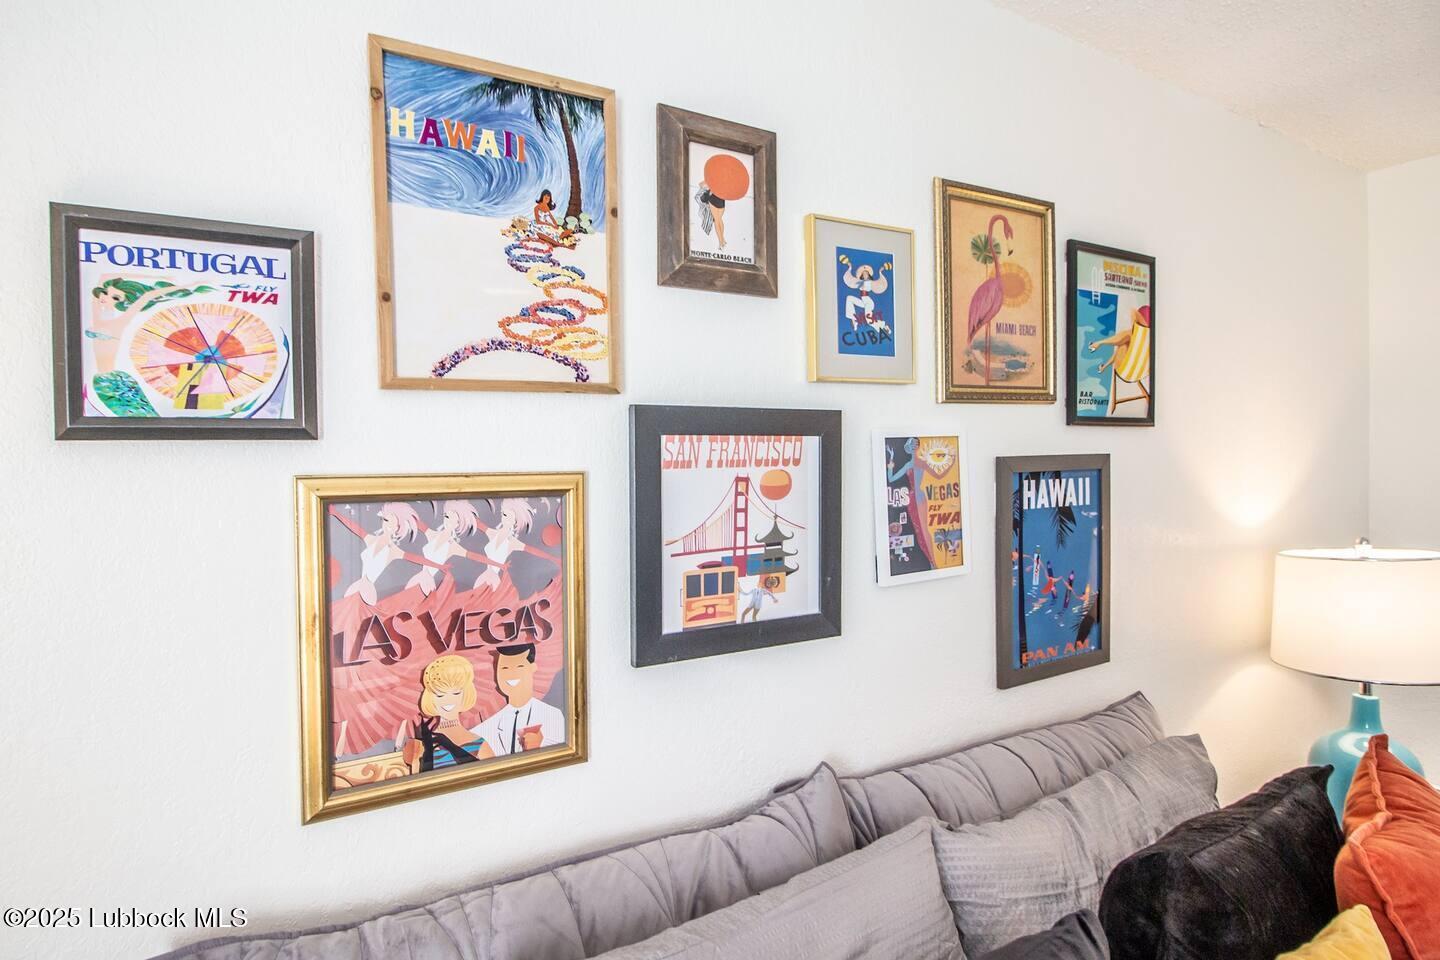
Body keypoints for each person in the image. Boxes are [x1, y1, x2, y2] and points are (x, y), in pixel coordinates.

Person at [402, 655, 495, 772]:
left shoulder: (479, 743)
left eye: (456, 693)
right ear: (430, 698)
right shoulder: (420, 746)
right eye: (440, 695)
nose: (448, 701)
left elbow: (495, 778)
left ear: (466, 694)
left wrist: (449, 745)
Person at [469, 643, 565, 755]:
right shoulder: (484, 729)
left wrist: (541, 745)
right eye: (504, 668)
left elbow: (565, 753)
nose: (511, 674)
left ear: (532, 668)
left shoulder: (552, 715)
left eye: (519, 667)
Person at [696, 180, 727, 249]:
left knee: (717, 220)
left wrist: (710, 187)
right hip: (721, 200)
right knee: (719, 219)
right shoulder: (722, 180)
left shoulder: (712, 178)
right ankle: (722, 240)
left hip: (714, 200)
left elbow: (701, 184)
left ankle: (721, 242)